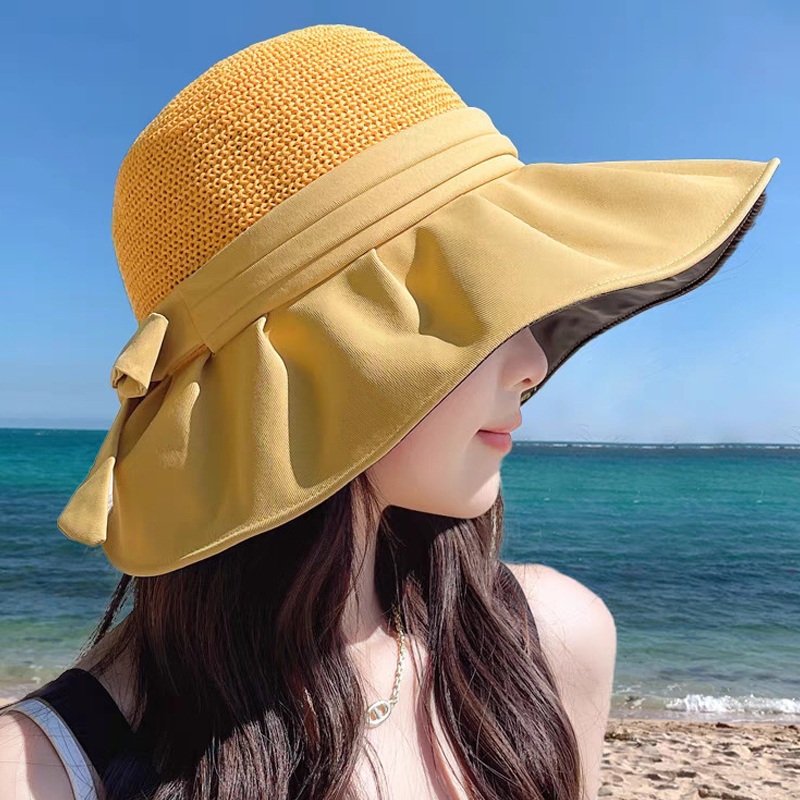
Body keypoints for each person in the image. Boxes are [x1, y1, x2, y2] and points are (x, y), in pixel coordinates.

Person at [0, 22, 777, 800]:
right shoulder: (42, 773)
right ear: (319, 360)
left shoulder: (556, 643)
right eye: (472, 304)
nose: (535, 365)